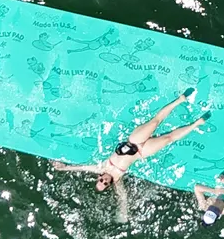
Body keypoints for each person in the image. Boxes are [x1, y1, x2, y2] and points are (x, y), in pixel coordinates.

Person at [51, 89, 207, 219]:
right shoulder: (117, 180)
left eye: (101, 181)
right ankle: (196, 124)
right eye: (105, 184)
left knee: (155, 121)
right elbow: (122, 197)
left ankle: (180, 100)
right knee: (168, 138)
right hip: (141, 152)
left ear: (99, 177)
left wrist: (63, 168)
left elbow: (82, 168)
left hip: (133, 141)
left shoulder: (101, 168)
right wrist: (123, 212)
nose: (105, 180)